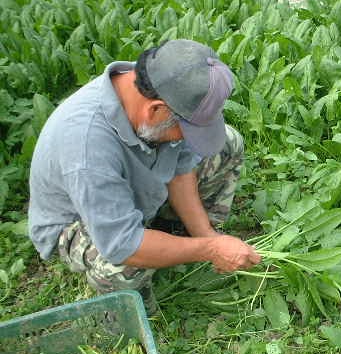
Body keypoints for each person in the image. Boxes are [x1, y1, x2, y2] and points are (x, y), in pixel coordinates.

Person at [28, 39, 261, 312]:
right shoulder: (86, 145)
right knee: (121, 266)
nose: (187, 138)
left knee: (227, 144)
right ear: (156, 110)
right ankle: (135, 306)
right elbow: (122, 244)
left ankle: (177, 238)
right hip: (84, 222)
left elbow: (181, 165)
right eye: (187, 130)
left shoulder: (167, 92)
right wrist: (209, 250)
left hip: (137, 190)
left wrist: (206, 235)